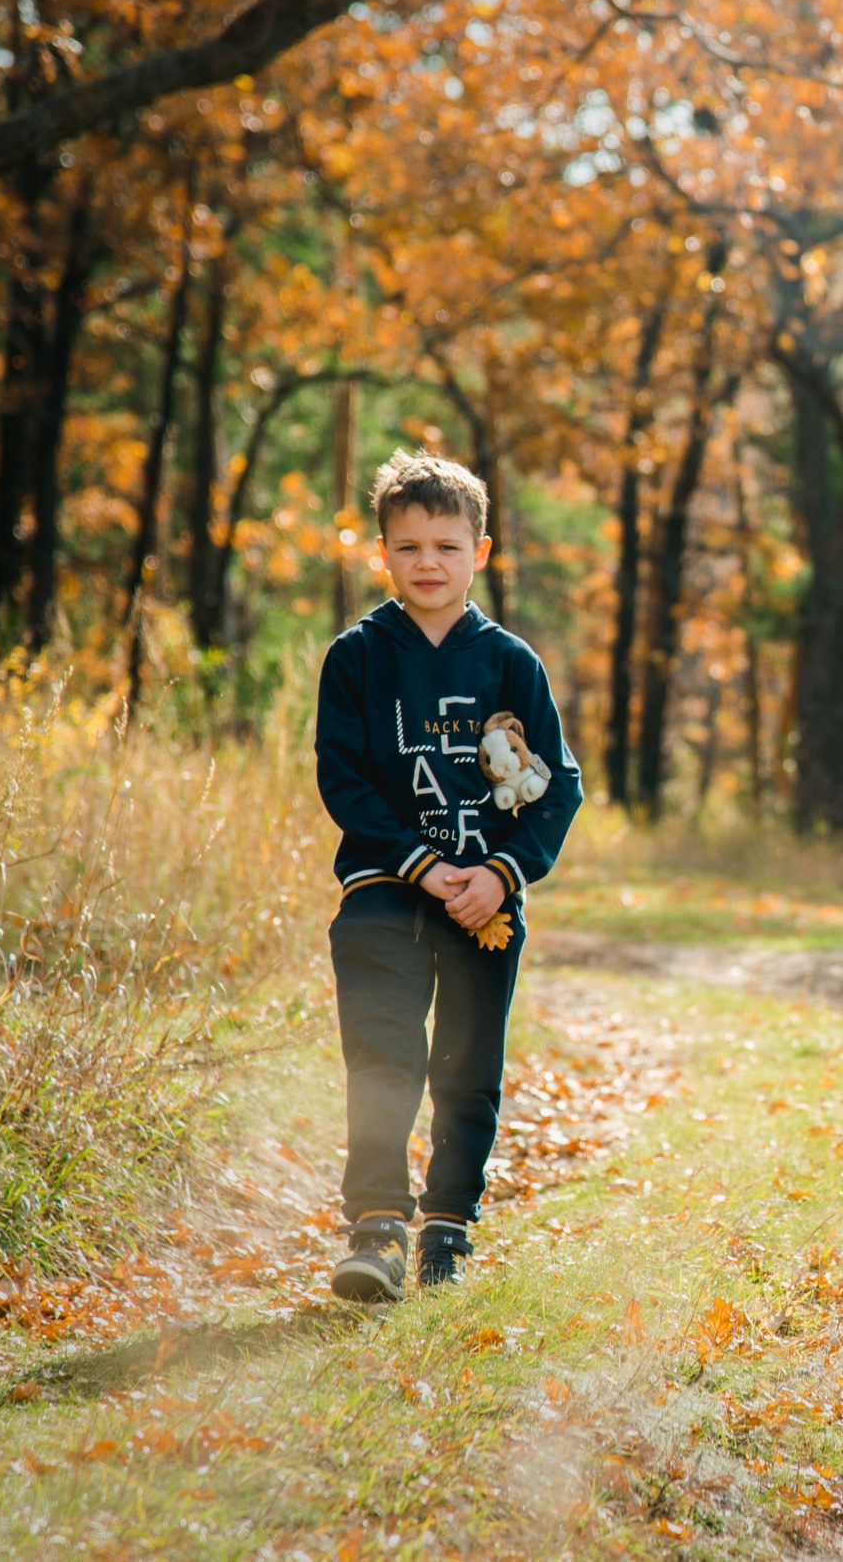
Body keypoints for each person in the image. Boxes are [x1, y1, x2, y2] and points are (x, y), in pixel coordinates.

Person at [313, 450, 583, 1301]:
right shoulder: (356, 657)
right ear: (383, 553)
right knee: (384, 1054)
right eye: (409, 546)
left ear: (482, 552)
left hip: (487, 907)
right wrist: (425, 867)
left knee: (467, 1066)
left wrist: (501, 873)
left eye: (447, 546)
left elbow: (560, 785)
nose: (428, 562)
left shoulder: (510, 663)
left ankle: (448, 1231)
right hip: (384, 893)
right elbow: (344, 779)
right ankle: (379, 1228)